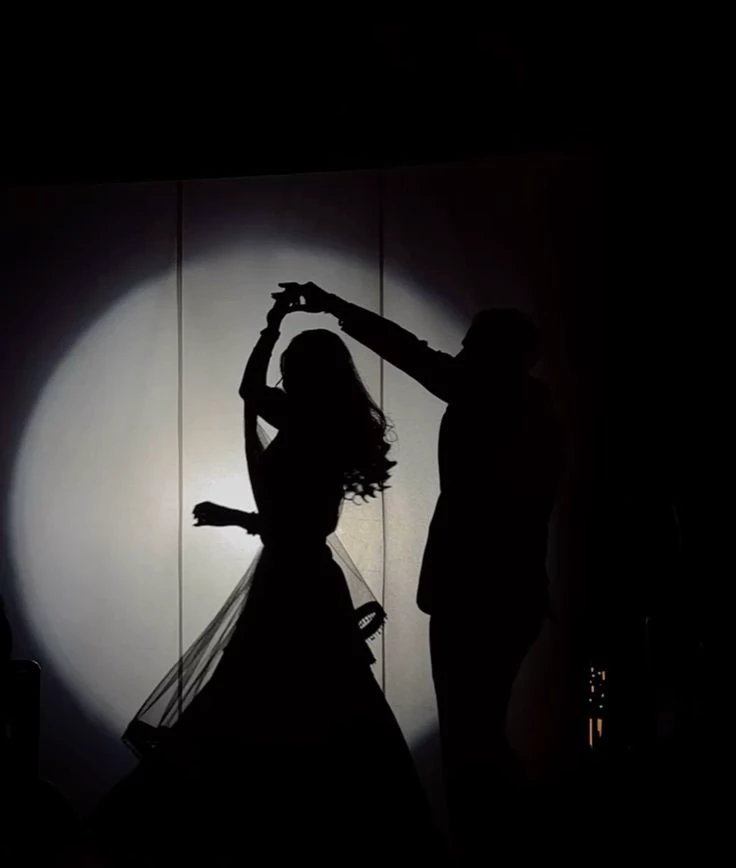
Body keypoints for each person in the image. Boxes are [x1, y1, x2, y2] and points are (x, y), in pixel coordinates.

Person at [90, 289, 440, 866]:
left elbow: (253, 400)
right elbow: (298, 513)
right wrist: (238, 517)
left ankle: (243, 826)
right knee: (315, 694)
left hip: (296, 580)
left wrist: (273, 324)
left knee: (265, 691)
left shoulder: (310, 425)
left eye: (292, 368)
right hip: (301, 574)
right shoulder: (322, 424)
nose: (285, 377)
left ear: (308, 375)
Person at [279, 282, 563, 856]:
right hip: (515, 595)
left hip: (469, 595)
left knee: (468, 740)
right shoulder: (538, 407)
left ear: (493, 354)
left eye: (469, 346)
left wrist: (333, 306)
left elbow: (408, 351)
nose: (458, 353)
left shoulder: (484, 394)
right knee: (482, 734)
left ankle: (487, 848)